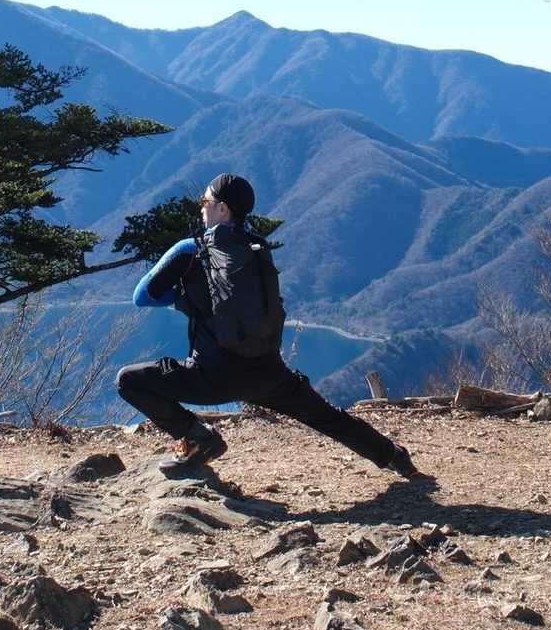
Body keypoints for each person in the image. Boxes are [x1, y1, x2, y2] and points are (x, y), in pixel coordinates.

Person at [116, 171, 433, 484]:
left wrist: (183, 299)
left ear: (222, 209)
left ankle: (200, 437)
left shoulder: (190, 250)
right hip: (268, 373)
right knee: (327, 417)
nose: (201, 208)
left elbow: (142, 296)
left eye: (205, 201)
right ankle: (394, 456)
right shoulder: (257, 249)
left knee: (129, 381)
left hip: (212, 376)